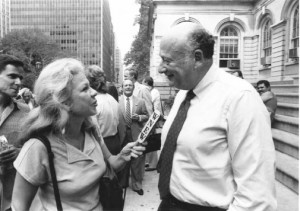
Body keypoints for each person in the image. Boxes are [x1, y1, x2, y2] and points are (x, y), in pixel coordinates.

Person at [156, 22, 276, 211]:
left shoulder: (240, 97)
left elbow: (256, 196)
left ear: (197, 58)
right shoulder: (183, 92)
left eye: (167, 60)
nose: (160, 69)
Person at [11, 58, 145, 211]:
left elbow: (111, 164)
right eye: (85, 89)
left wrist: (123, 156)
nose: (94, 92)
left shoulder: (91, 129)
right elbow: (18, 205)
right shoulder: (38, 147)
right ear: (64, 101)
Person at [0, 54, 29, 211]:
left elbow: (35, 149)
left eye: (20, 77)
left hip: (12, 199)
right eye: (12, 76)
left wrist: (19, 152)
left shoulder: (26, 112)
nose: (18, 82)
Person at [118, 79, 149, 195]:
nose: (128, 87)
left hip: (135, 133)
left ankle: (137, 185)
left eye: (130, 85)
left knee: (137, 160)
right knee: (123, 159)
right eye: (125, 85)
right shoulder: (117, 101)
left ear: (133, 87)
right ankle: (123, 183)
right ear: (122, 87)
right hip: (122, 134)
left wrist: (139, 117)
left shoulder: (140, 101)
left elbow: (147, 116)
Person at [85, 65, 123, 155]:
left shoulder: (93, 102)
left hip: (101, 146)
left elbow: (93, 131)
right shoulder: (112, 99)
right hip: (115, 142)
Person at [142, 76, 162, 171]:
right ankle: (149, 162)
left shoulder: (153, 92)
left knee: (152, 141)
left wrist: (152, 123)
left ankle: (153, 164)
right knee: (149, 140)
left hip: (152, 119)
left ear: (146, 82)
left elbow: (155, 107)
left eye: (143, 82)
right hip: (152, 119)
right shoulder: (153, 91)